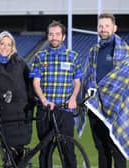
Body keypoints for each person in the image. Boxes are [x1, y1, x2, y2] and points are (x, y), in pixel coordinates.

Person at [29, 20, 83, 168]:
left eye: (57, 34)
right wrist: (44, 100)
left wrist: (73, 99)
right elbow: (36, 83)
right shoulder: (40, 57)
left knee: (67, 149)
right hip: (45, 110)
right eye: (51, 34)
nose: (54, 37)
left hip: (64, 110)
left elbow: (77, 82)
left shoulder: (73, 56)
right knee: (45, 149)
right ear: (48, 36)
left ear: (63, 37)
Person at [0, 31, 33, 166]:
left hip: (22, 111)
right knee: (9, 154)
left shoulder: (20, 62)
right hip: (5, 112)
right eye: (2, 44)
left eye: (8, 45)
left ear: (12, 47)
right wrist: (2, 95)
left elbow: (30, 84)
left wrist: (34, 101)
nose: (5, 47)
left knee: (21, 153)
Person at [84, 13, 128, 168]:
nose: (103, 29)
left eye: (107, 26)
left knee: (118, 149)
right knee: (101, 150)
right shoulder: (93, 52)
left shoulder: (125, 52)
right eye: (100, 26)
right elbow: (88, 77)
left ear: (114, 28)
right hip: (96, 108)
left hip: (117, 108)